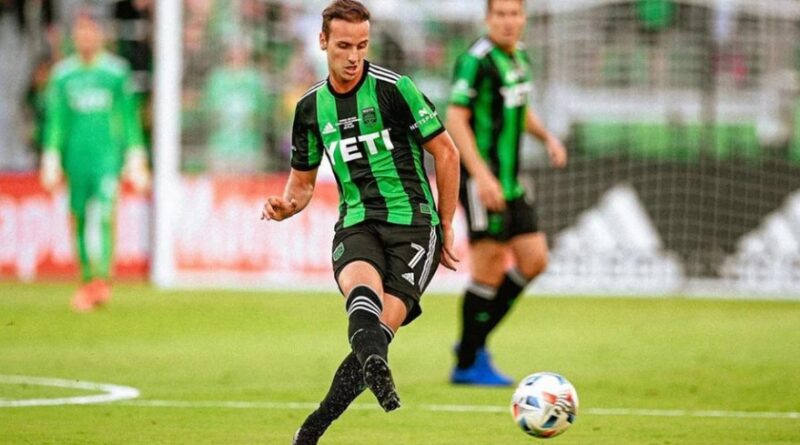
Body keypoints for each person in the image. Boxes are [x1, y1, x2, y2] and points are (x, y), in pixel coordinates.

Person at [260, 1, 460, 443]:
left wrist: (446, 223)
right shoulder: (310, 107)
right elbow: (302, 185)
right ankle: (364, 378)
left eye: (362, 46)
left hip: (414, 227)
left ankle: (315, 425)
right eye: (344, 46)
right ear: (323, 42)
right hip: (357, 223)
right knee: (361, 295)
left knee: (377, 332)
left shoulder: (395, 89)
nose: (354, 56)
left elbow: (447, 152)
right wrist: (286, 206)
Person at [446, 0, 568, 386]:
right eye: (500, 14)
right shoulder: (476, 60)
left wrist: (547, 137)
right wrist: (482, 176)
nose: (508, 21)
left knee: (535, 260)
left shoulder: (520, 58)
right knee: (489, 266)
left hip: (511, 181)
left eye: (514, 13)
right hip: (481, 180)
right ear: (488, 19)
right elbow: (455, 119)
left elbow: (520, 107)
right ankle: (469, 361)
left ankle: (471, 341)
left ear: (523, 17)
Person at [40, 10, 150, 312]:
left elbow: (128, 117)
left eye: (90, 32)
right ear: (74, 37)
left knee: (104, 214)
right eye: (80, 32)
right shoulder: (63, 75)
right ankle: (86, 277)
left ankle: (102, 280)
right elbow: (56, 120)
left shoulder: (116, 72)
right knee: (77, 216)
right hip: (76, 158)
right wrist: (51, 154)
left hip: (106, 158)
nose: (85, 38)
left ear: (100, 35)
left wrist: (135, 153)